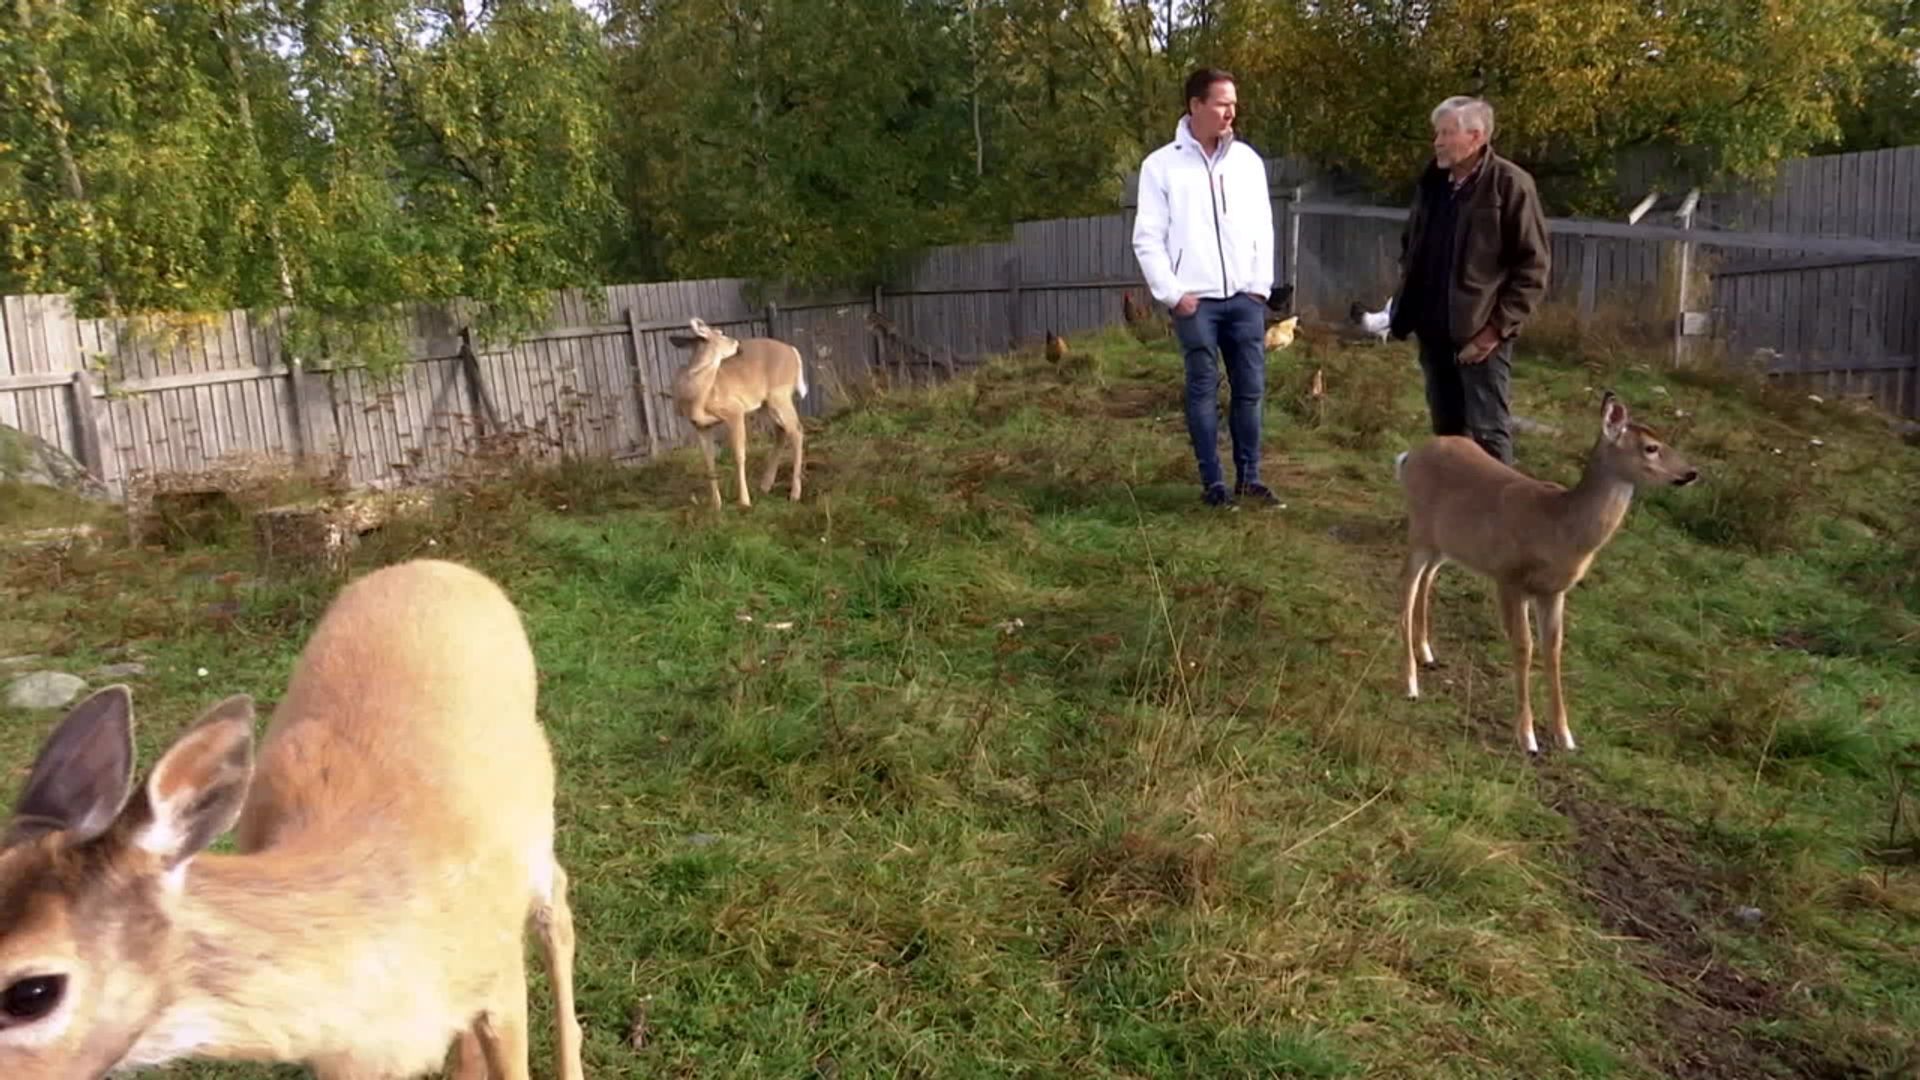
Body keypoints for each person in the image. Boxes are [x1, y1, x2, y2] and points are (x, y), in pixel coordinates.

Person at [1132, 67, 1277, 508]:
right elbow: (1148, 238)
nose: (1230, 111)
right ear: (1195, 105)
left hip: (1245, 298)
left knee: (1249, 389)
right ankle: (1213, 483)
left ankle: (1249, 478)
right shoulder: (1161, 166)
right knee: (1202, 388)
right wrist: (1173, 294)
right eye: (1221, 103)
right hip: (1196, 302)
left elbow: (1264, 226)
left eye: (1233, 103)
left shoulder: (1247, 162)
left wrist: (1259, 286)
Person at [1388, 95, 1550, 466]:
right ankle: (1454, 503)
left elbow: (1533, 268)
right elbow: (1412, 245)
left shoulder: (1510, 184)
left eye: (1446, 134)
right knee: (1448, 434)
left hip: (1479, 336)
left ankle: (1499, 505)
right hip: (1433, 332)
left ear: (1476, 137)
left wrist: (1494, 332)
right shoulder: (1433, 183)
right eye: (1437, 134)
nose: (1438, 142)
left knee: (1488, 433)